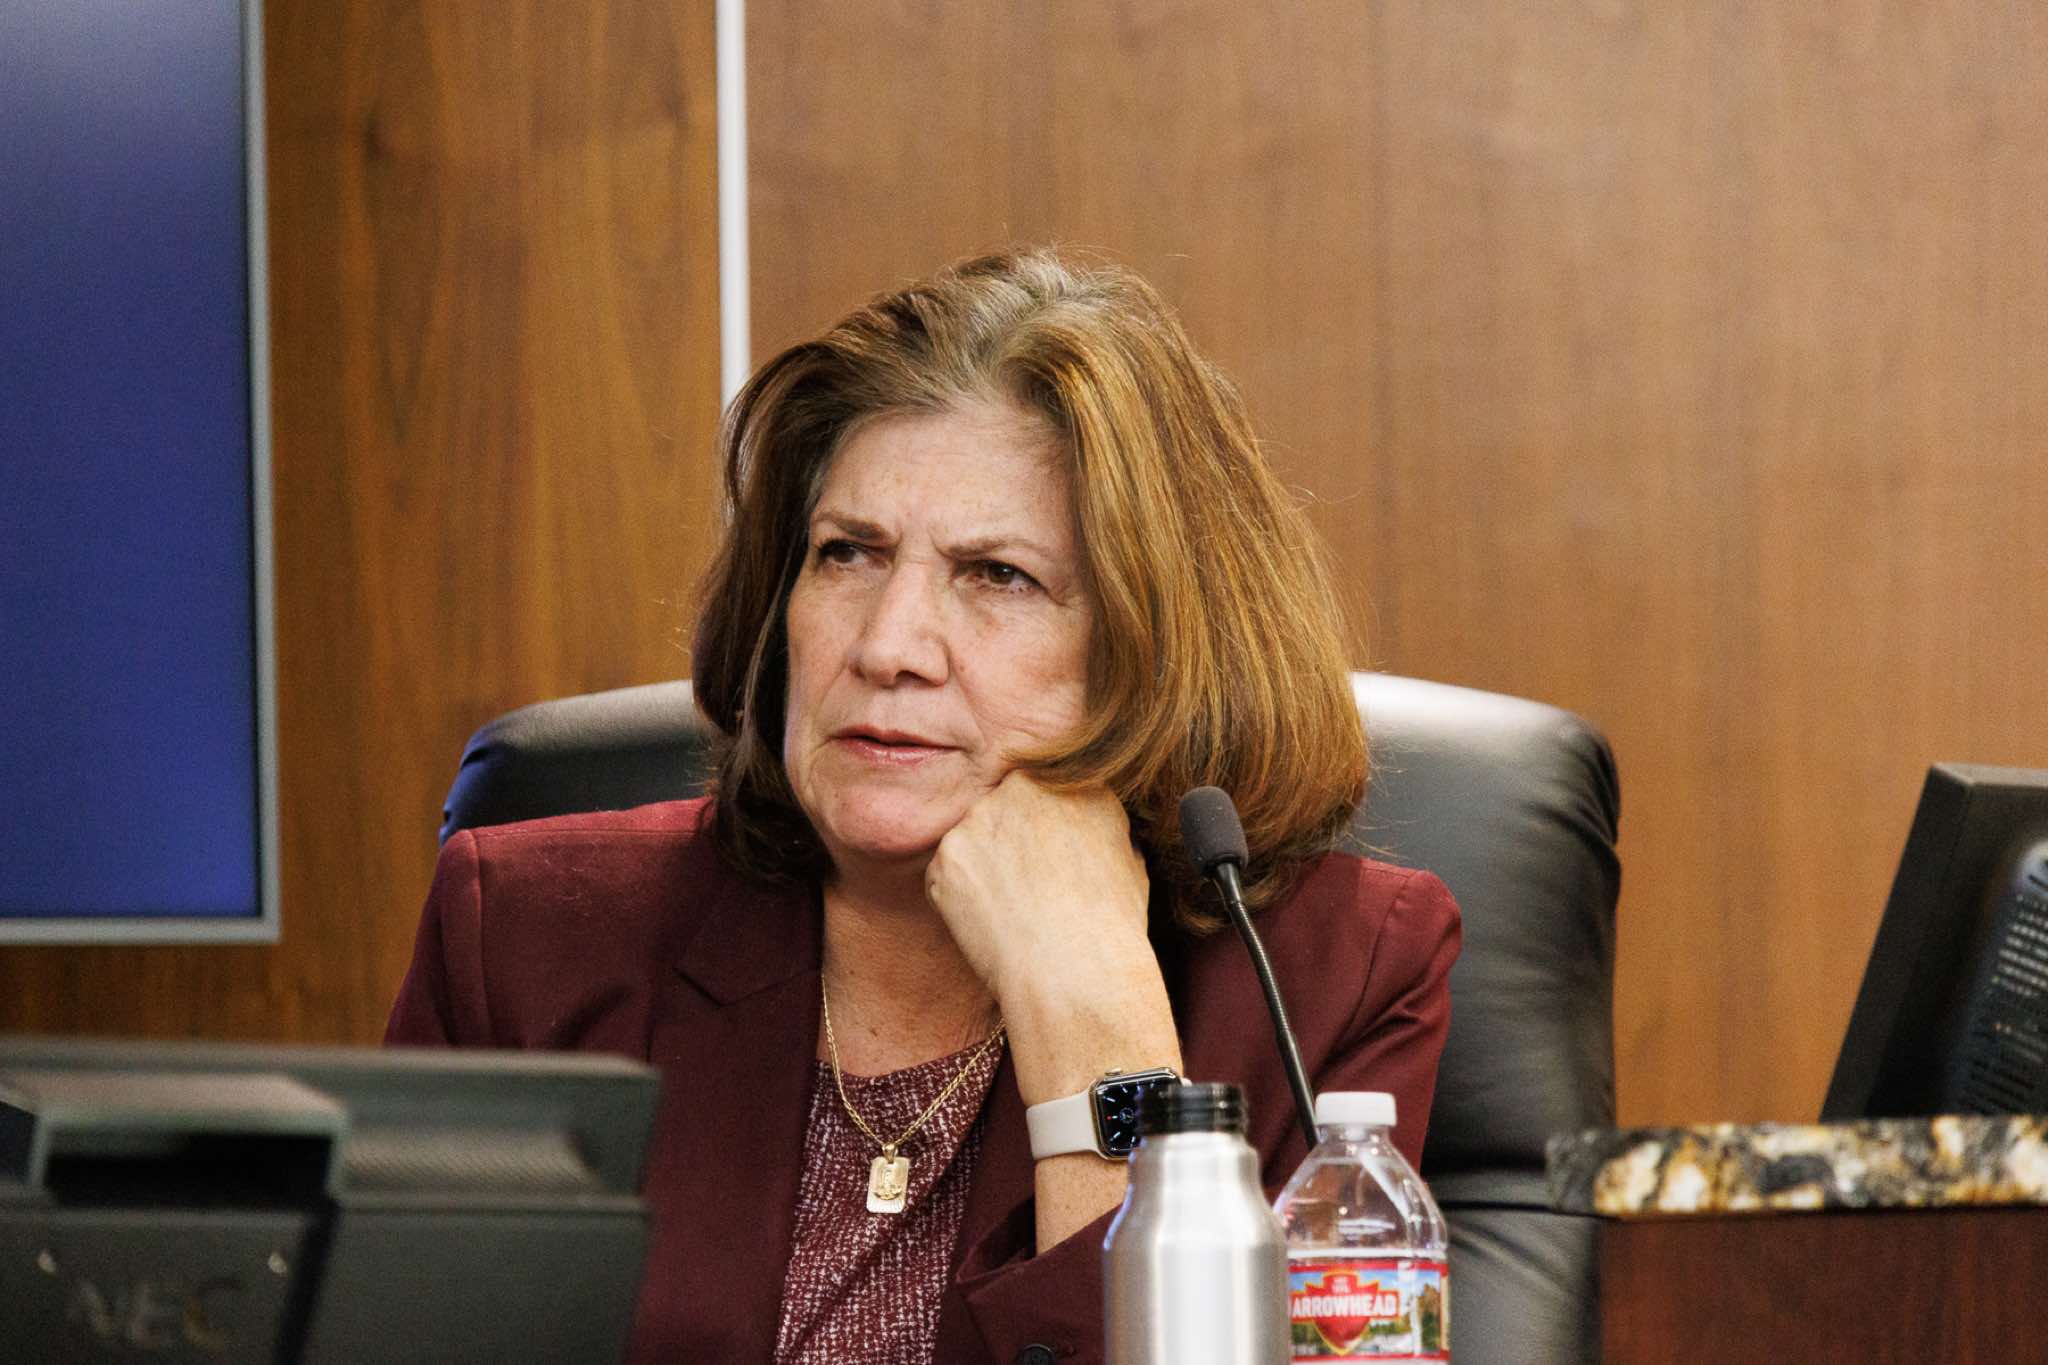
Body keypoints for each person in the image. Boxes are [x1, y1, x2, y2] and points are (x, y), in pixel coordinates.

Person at [386, 248, 1461, 1365]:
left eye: (997, 574)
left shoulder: (1330, 982)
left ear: (1156, 648)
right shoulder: (525, 937)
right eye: (847, 554)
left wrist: (1092, 1021)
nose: (886, 645)